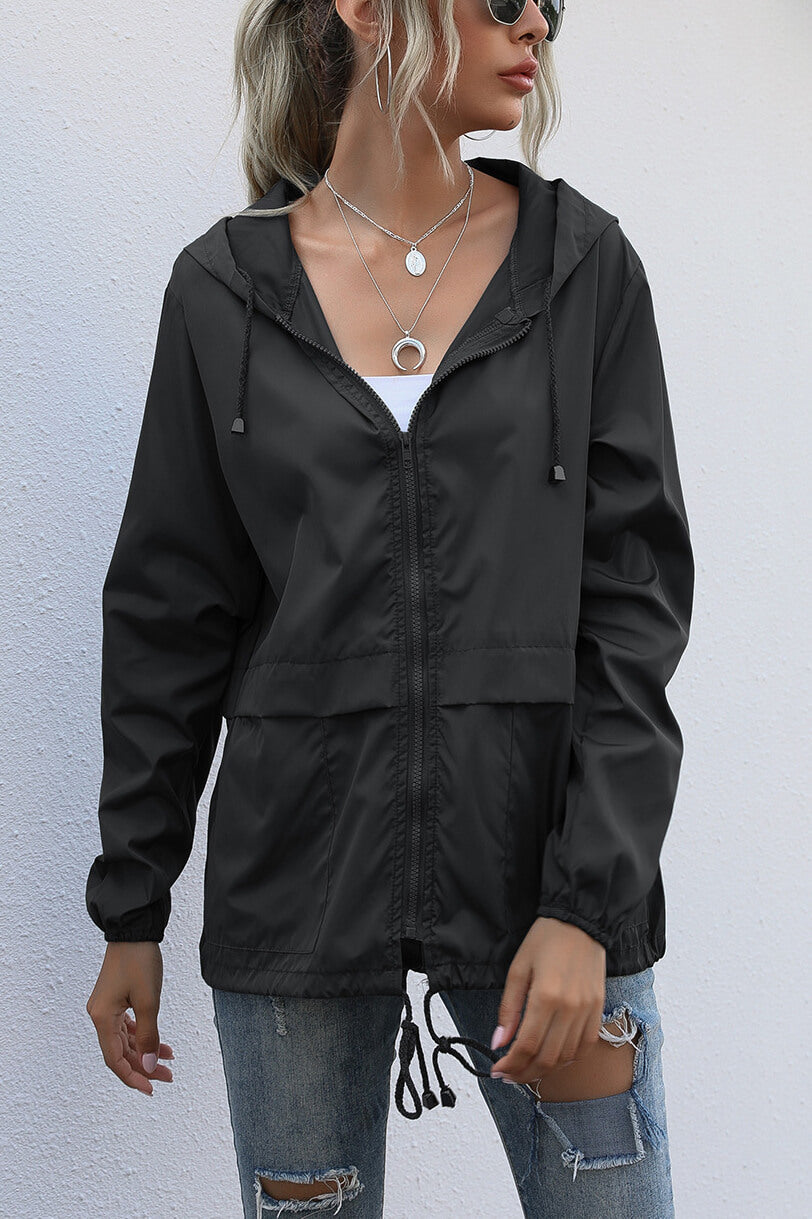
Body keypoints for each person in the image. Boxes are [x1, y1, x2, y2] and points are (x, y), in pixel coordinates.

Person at [84, 0, 694, 1214]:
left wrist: (586, 904)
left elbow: (633, 609)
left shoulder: (582, 270)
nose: (538, 26)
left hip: (547, 884)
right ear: (367, 10)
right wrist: (131, 905)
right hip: (295, 895)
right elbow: (169, 615)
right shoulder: (223, 293)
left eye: (553, 5)